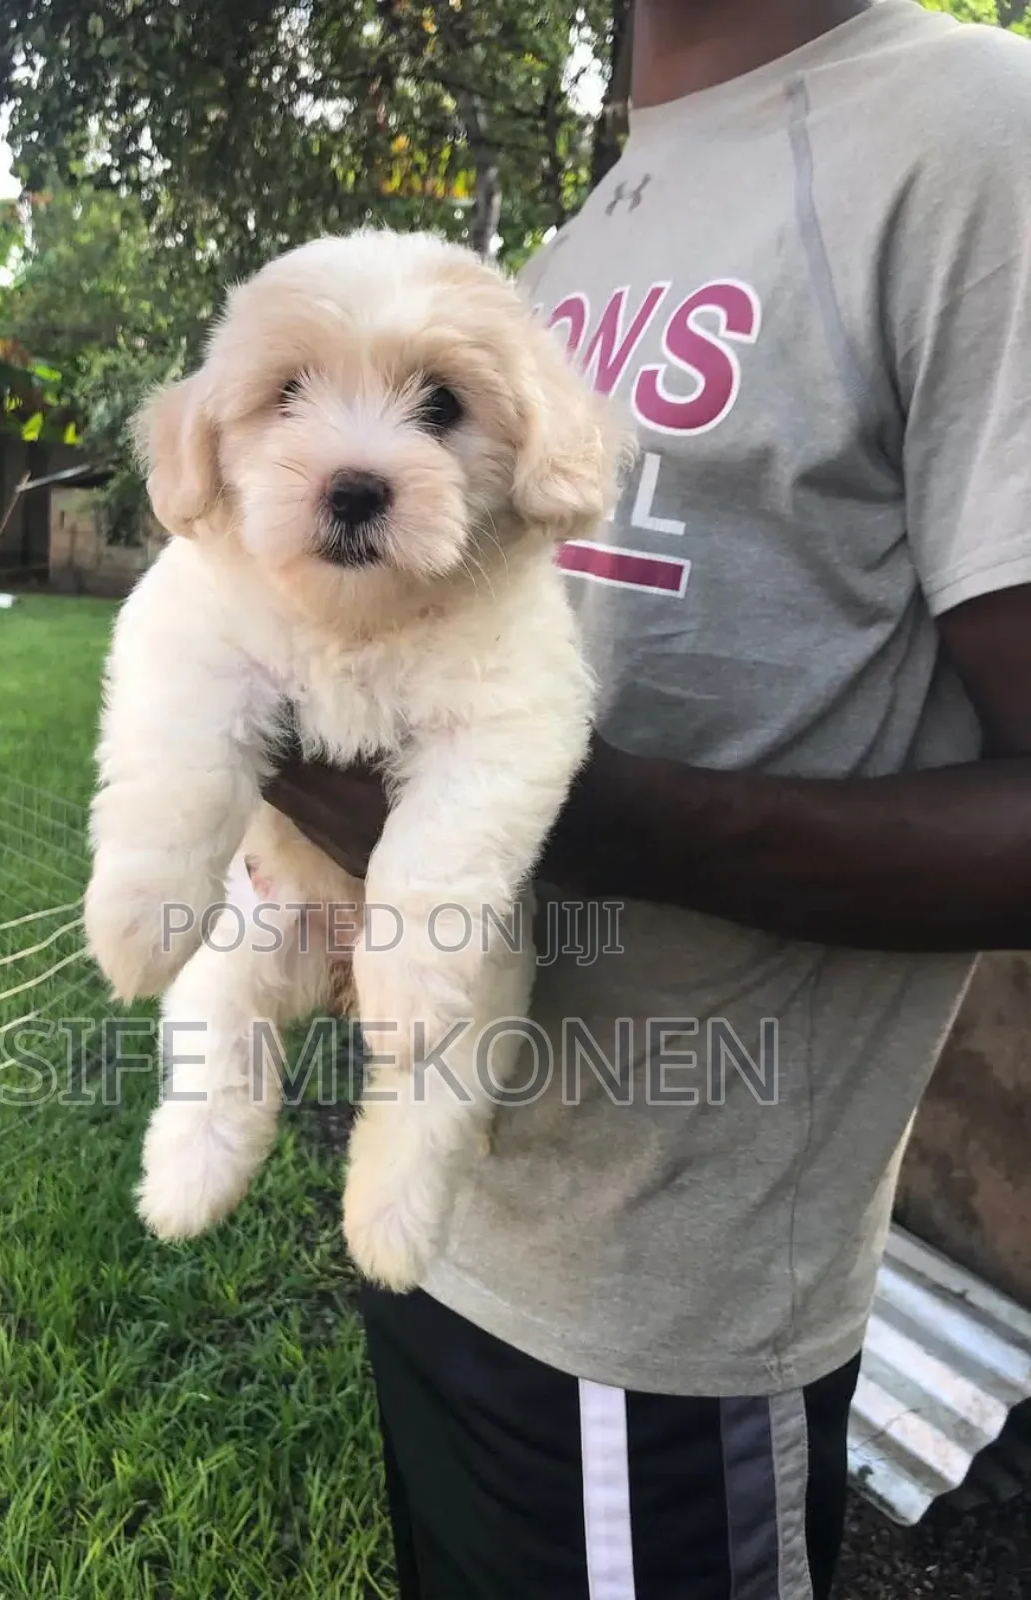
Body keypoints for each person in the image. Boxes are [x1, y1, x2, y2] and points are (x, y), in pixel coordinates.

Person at [265, 2, 1031, 1594]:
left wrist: (599, 825)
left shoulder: (972, 129)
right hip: (442, 1199)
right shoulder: (585, 233)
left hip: (667, 1311)